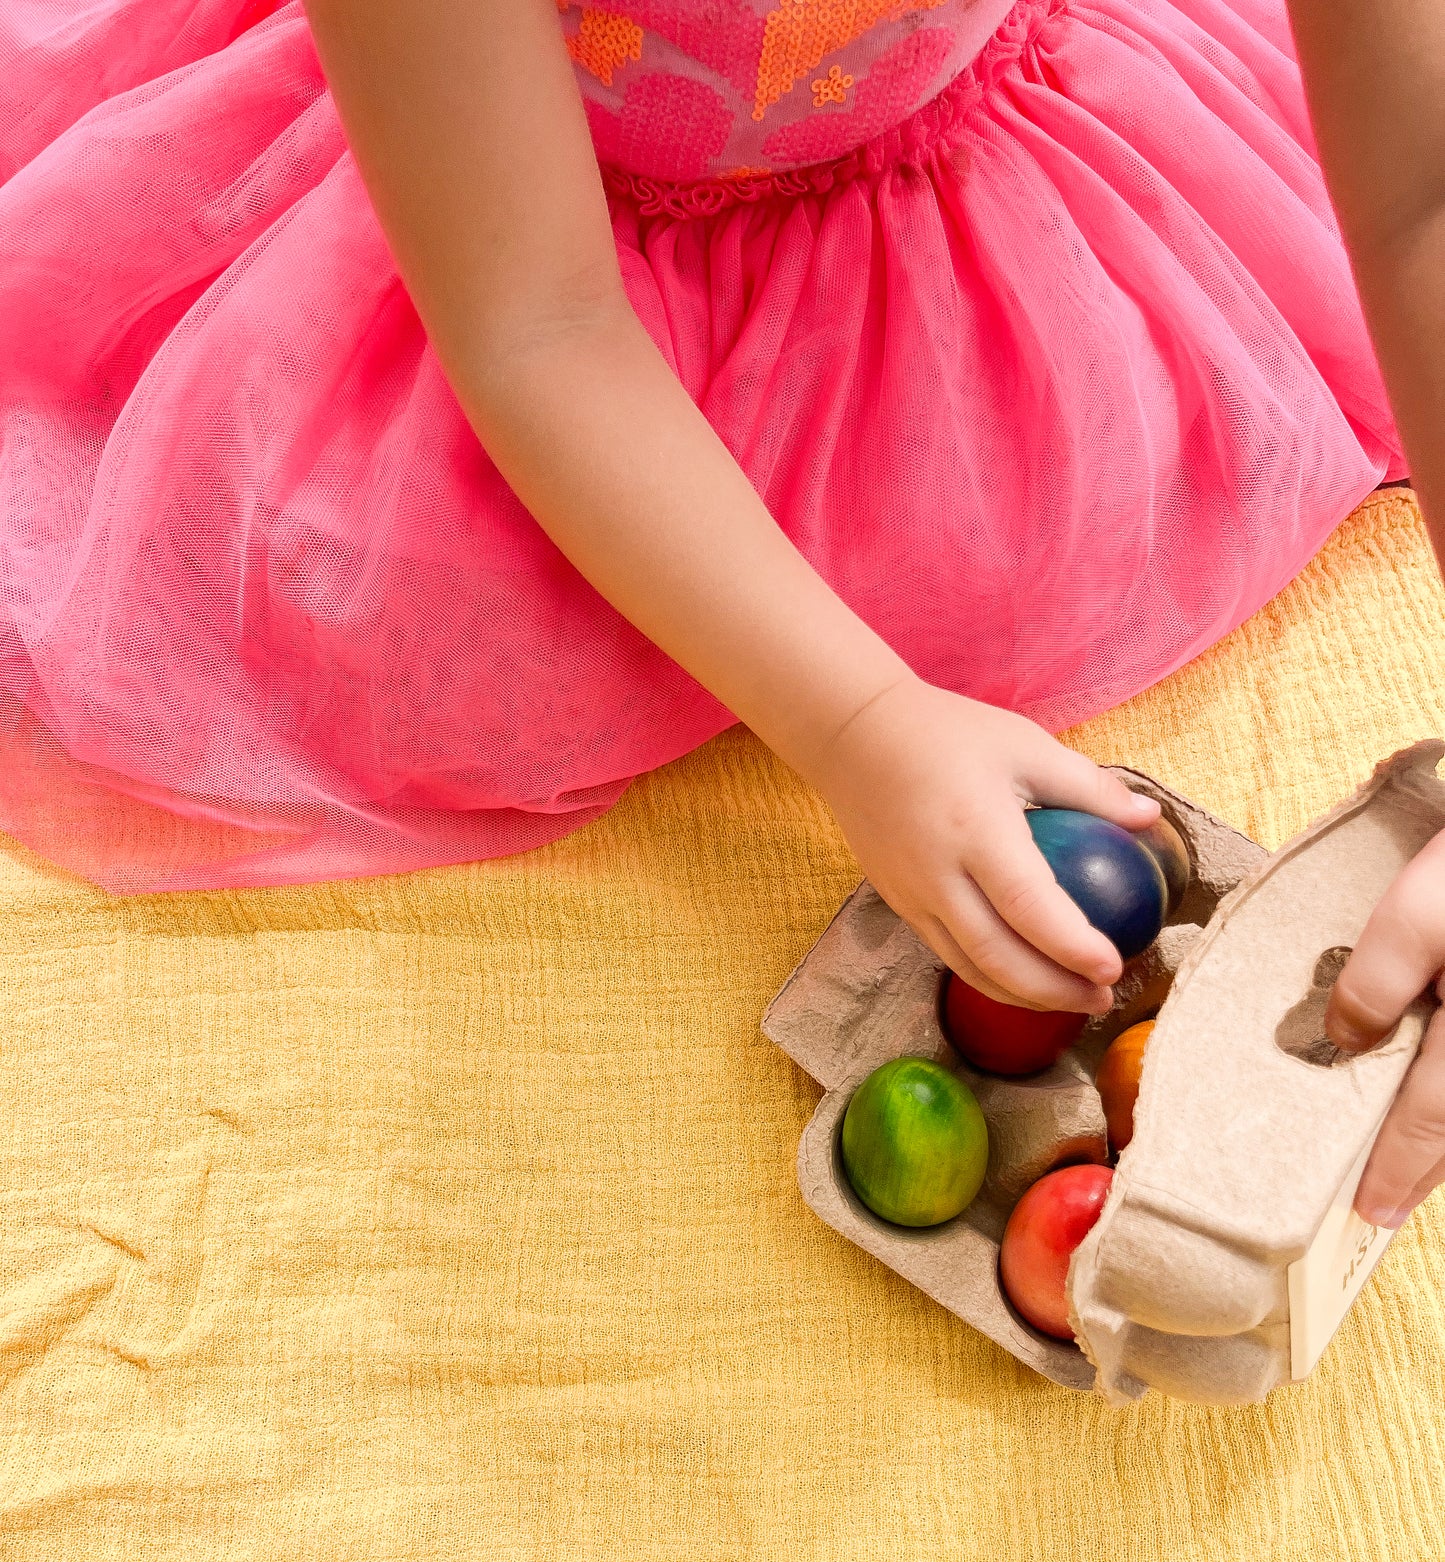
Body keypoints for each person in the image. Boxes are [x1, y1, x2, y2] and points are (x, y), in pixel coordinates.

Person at [0, 0, 1440, 1227]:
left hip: (994, 165)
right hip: (524, 223)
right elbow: (533, 325)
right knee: (426, 642)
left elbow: (1420, 187)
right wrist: (857, 719)